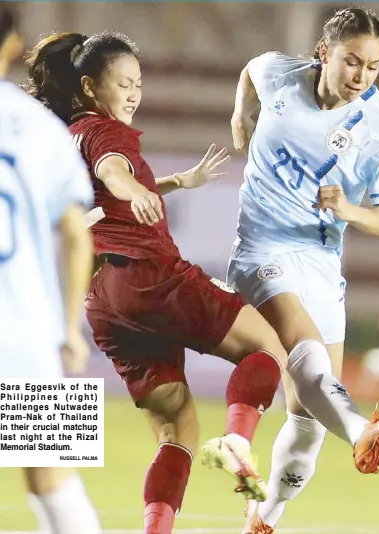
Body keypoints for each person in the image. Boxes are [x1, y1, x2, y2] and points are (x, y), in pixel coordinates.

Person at [25, 30, 289, 534]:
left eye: (136, 83)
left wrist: (169, 183)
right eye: (122, 82)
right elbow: (113, 169)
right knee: (268, 348)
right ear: (86, 86)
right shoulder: (104, 131)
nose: (132, 93)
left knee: (176, 430)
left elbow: (101, 188)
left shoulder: (60, 139)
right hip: (146, 273)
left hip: (100, 303)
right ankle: (236, 439)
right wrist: (138, 189)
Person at [228, 7, 379, 533]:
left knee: (306, 423)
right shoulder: (280, 77)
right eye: (351, 61)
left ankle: (263, 519)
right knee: (305, 349)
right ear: (322, 54)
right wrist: (241, 114)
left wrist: (350, 210)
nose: (361, 76)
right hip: (261, 247)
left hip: (320, 259)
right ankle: (361, 432)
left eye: (373, 67)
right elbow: (250, 69)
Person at [0, 9, 101, 534]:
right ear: (14, 43)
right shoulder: (40, 125)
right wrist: (68, 330)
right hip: (27, 331)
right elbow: (75, 230)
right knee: (55, 481)